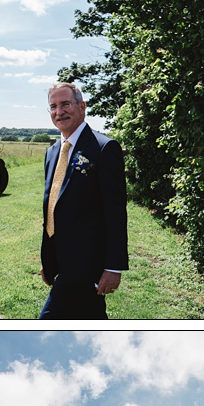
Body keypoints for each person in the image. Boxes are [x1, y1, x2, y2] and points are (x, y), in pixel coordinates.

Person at [39, 81, 128, 320]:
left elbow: (115, 212)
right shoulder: (52, 152)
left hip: (86, 264)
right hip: (62, 263)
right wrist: (49, 260)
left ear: (82, 106)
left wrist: (113, 266)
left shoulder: (104, 148)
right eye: (53, 106)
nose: (59, 112)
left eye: (65, 104)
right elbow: (53, 207)